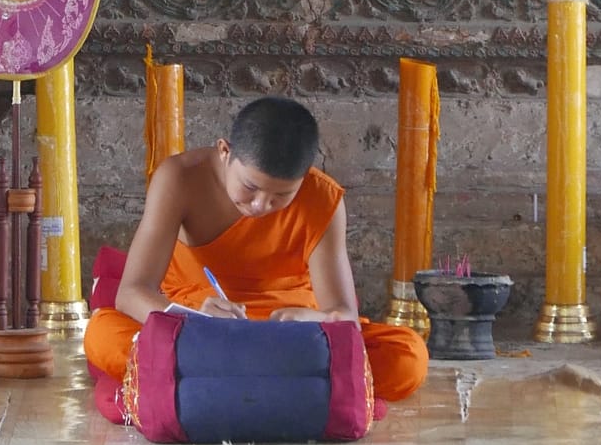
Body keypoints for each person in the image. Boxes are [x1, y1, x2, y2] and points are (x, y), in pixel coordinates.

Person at [83, 94, 428, 409]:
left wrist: (314, 319)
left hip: (288, 333)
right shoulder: (181, 179)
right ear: (225, 150)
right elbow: (131, 293)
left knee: (407, 357)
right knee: (102, 336)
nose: (261, 205)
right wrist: (192, 319)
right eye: (250, 187)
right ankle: (285, 383)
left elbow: (343, 316)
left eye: (282, 196)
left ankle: (218, 380)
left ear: (303, 179)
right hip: (197, 325)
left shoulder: (322, 199)